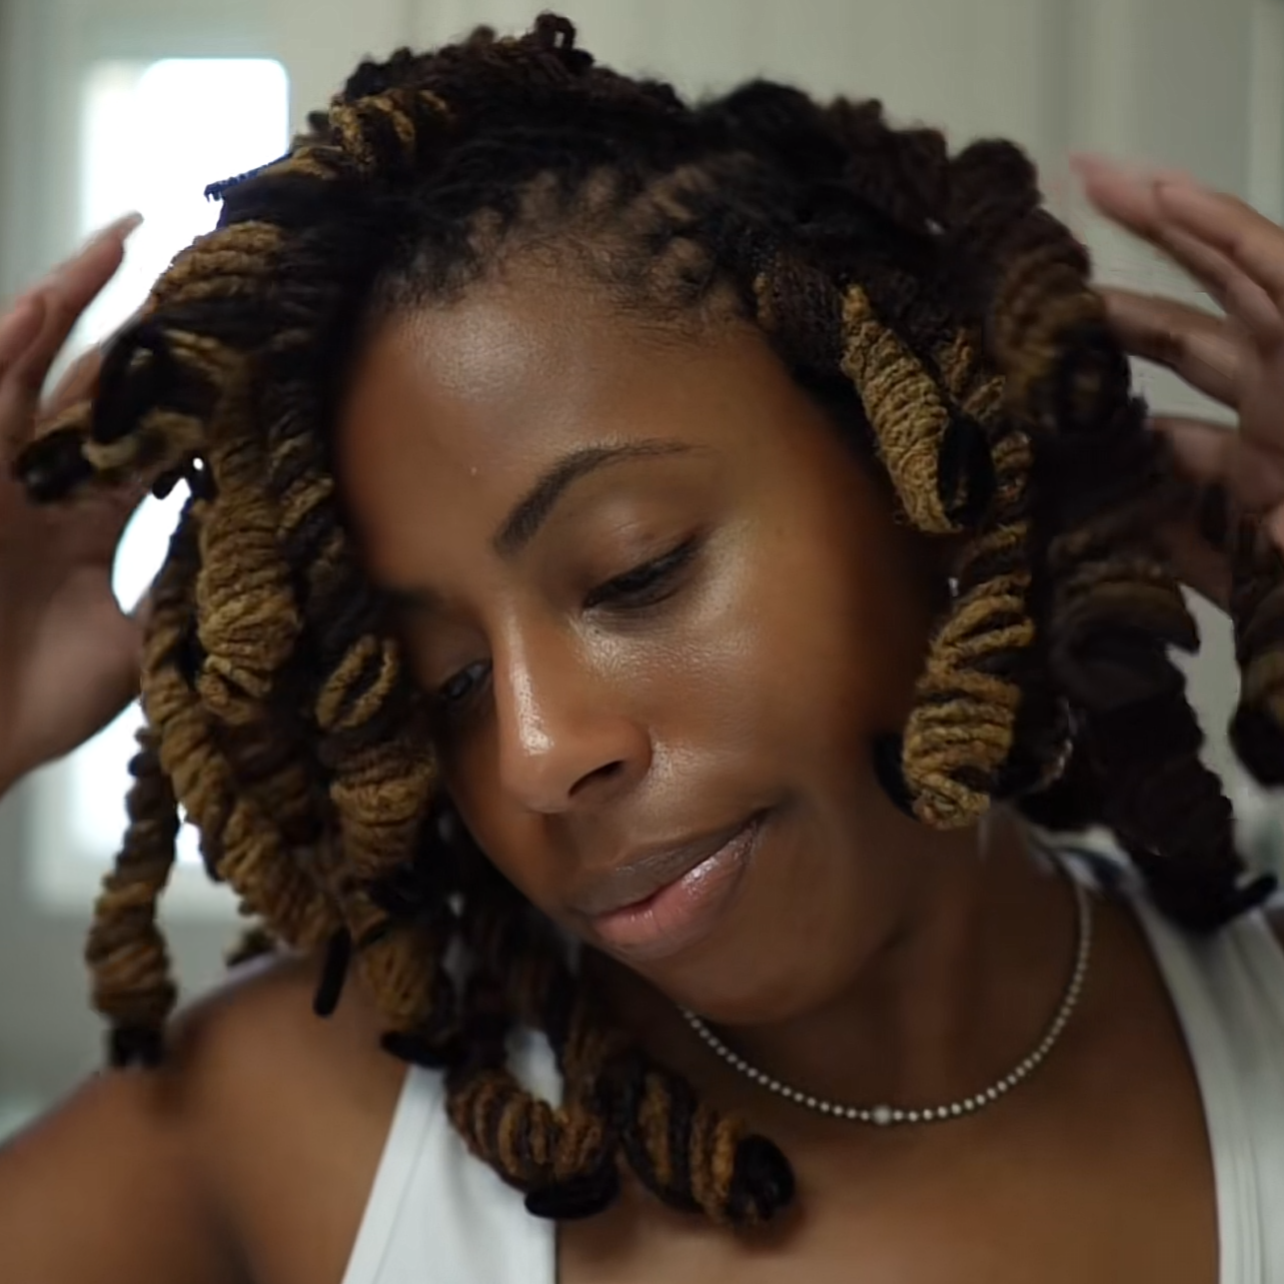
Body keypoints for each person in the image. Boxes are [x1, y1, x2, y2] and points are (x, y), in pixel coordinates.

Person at [0, 15, 1282, 1282]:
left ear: (923, 471)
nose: (537, 756)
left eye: (636, 571)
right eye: (442, 685)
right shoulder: (293, 1127)